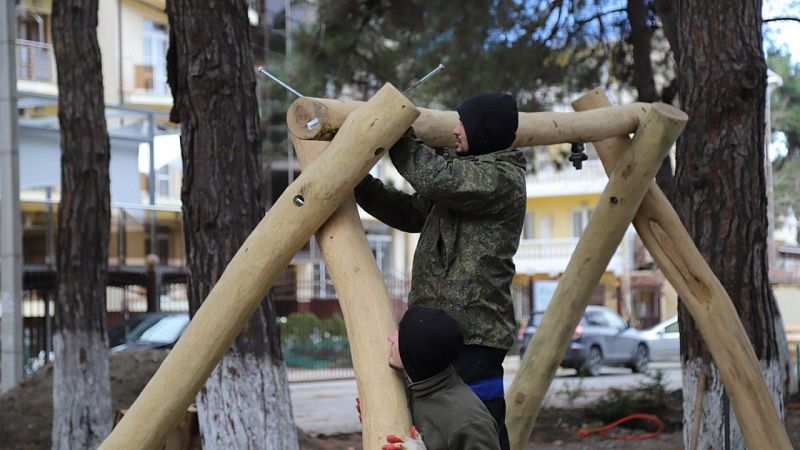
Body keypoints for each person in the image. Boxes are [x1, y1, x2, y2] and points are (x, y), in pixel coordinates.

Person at [355, 92, 526, 449]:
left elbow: (434, 178)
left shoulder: (501, 178)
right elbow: (410, 212)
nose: (454, 131)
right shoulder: (461, 180)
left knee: (476, 430)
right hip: (436, 333)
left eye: (462, 123)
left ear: (484, 128)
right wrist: (359, 184)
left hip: (474, 337)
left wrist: (395, 126)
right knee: (430, 428)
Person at [384, 305, 500, 450]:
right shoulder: (420, 387)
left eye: (401, 336)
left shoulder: (468, 421)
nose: (391, 337)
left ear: (415, 354)